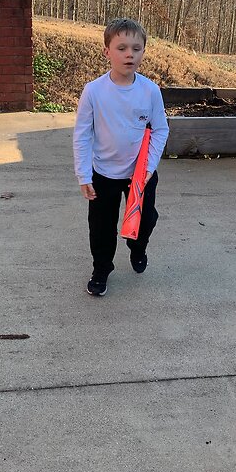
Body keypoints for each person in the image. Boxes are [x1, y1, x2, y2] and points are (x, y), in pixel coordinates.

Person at [72, 18, 170, 296]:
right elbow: (82, 135)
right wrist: (84, 174)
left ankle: (137, 247)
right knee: (101, 227)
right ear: (107, 52)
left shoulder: (150, 91)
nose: (130, 54)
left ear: (143, 52)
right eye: (122, 48)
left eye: (136, 49)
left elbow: (161, 130)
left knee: (145, 219)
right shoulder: (94, 91)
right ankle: (101, 269)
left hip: (140, 174)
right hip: (103, 173)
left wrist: (148, 168)